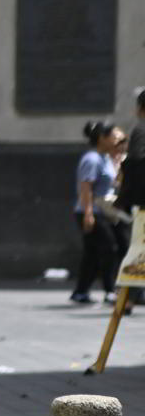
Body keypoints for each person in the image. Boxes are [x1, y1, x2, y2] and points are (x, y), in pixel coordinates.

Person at [70, 120, 128, 306]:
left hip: (105, 211)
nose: (116, 139)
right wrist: (88, 213)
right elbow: (86, 187)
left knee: (92, 252)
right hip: (92, 211)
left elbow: (113, 183)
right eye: (112, 136)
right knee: (110, 248)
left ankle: (80, 291)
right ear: (102, 138)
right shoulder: (92, 159)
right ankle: (110, 290)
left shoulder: (106, 158)